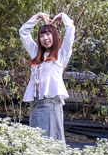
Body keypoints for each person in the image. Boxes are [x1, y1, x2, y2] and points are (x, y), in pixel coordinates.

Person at [19, 11, 75, 145]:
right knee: (36, 139)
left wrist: (62, 16)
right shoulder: (35, 53)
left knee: (52, 139)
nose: (45, 38)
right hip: (36, 102)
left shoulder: (61, 55)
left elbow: (71, 29)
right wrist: (37, 17)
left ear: (54, 36)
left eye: (48, 34)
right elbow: (23, 32)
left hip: (51, 103)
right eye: (42, 35)